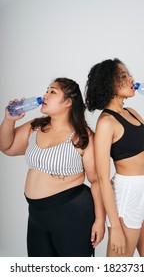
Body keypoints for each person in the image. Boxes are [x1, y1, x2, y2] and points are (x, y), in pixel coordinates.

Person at [0, 77, 105, 257]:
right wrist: (9, 120)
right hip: (36, 215)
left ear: (68, 102)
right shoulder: (35, 127)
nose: (45, 95)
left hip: (72, 214)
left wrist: (100, 220)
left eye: (52, 92)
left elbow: (97, 181)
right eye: (46, 90)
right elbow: (6, 147)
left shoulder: (82, 136)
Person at [85, 58, 144, 257]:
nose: (131, 79)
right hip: (125, 197)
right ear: (109, 84)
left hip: (143, 193)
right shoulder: (106, 122)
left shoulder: (131, 112)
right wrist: (114, 228)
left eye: (128, 74)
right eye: (123, 76)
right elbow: (103, 179)